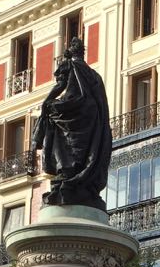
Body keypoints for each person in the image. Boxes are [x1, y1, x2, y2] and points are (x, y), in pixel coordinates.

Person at [31, 36, 112, 209]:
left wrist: (46, 102)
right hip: (90, 116)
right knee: (84, 148)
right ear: (82, 54)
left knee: (53, 121)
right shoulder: (94, 75)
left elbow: (59, 86)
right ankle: (77, 176)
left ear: (70, 53)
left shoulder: (68, 65)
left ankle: (62, 169)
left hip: (73, 108)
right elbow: (102, 104)